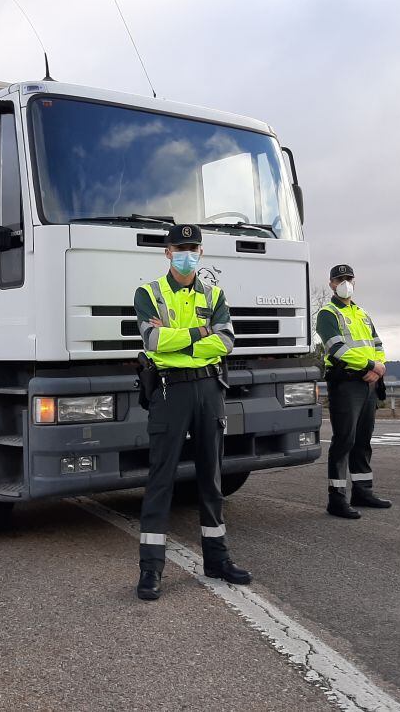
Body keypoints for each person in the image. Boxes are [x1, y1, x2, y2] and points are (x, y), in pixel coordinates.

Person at [133, 224, 252, 601]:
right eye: (180, 247)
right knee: (161, 479)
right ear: (167, 252)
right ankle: (151, 569)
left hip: (209, 388)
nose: (188, 253)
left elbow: (228, 341)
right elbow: (152, 341)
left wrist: (181, 341)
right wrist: (203, 334)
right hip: (170, 391)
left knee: (211, 477)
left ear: (201, 252)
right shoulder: (148, 292)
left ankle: (217, 560)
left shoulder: (214, 293)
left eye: (193, 247)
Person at [317, 263, 392, 519]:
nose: (344, 282)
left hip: (369, 383)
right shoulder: (328, 314)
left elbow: (377, 344)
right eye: (339, 279)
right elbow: (337, 348)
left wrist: (379, 368)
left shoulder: (362, 313)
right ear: (331, 284)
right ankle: (336, 499)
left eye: (348, 278)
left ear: (354, 281)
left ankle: (363, 491)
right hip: (346, 383)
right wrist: (370, 366)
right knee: (344, 441)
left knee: (363, 439)